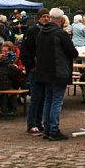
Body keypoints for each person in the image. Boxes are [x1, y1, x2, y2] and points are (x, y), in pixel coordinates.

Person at [33, 8, 78, 141]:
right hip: (58, 71)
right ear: (61, 19)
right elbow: (72, 52)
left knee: (48, 100)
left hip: (44, 71)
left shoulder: (41, 33)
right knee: (56, 101)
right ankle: (53, 130)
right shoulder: (60, 33)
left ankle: (48, 129)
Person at [22, 8, 50, 136]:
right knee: (36, 97)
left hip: (45, 69)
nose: (46, 18)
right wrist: (31, 66)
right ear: (39, 18)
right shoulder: (32, 31)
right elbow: (26, 50)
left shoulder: (48, 30)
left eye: (48, 16)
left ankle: (38, 123)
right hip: (35, 69)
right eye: (44, 16)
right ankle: (31, 124)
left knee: (43, 97)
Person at [0, 43, 26, 116]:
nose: (4, 53)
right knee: (8, 88)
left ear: (10, 51)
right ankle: (9, 108)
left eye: (6, 51)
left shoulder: (15, 57)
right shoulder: (2, 59)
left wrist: (17, 67)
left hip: (13, 79)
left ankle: (8, 107)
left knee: (13, 86)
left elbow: (21, 67)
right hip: (6, 81)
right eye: (2, 51)